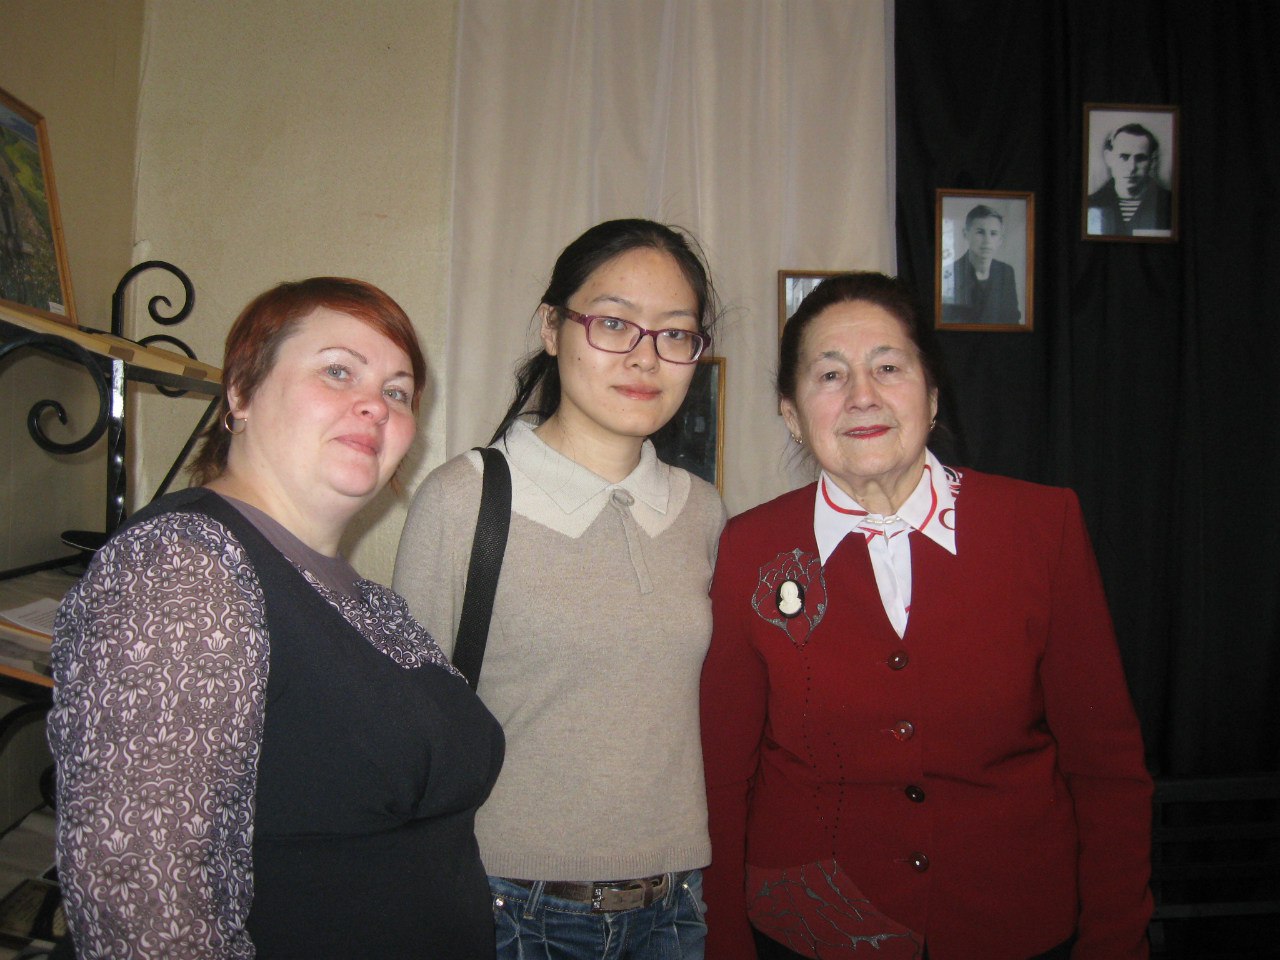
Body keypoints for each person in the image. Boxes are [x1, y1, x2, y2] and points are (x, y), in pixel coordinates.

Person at [48, 278, 504, 959]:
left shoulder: (361, 597)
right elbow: (143, 906)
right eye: (338, 371)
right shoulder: (183, 568)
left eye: (398, 391)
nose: (374, 405)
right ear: (240, 392)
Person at [700, 272, 1153, 959]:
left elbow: (1105, 765)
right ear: (791, 414)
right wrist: (726, 946)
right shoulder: (749, 548)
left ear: (933, 395)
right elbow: (724, 775)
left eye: (888, 367)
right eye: (830, 375)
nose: (862, 395)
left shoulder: (1041, 526)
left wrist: (1115, 941)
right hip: (811, 931)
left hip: (1015, 928)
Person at [394, 218, 726, 959]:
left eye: (675, 334)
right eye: (613, 323)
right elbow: (409, 730)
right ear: (552, 327)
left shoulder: (702, 513)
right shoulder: (464, 500)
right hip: (514, 908)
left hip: (676, 907)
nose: (645, 357)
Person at [1086, 123, 1173, 237]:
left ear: (1152, 161)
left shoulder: (1169, 204)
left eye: (1140, 158)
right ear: (1108, 158)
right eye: (1124, 157)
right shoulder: (1091, 203)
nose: (1132, 167)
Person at [941, 204, 1021, 325]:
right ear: (965, 234)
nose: (987, 241)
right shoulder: (950, 273)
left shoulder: (1006, 272)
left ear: (1000, 239)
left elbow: (1013, 319)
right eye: (980, 232)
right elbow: (946, 321)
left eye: (993, 233)